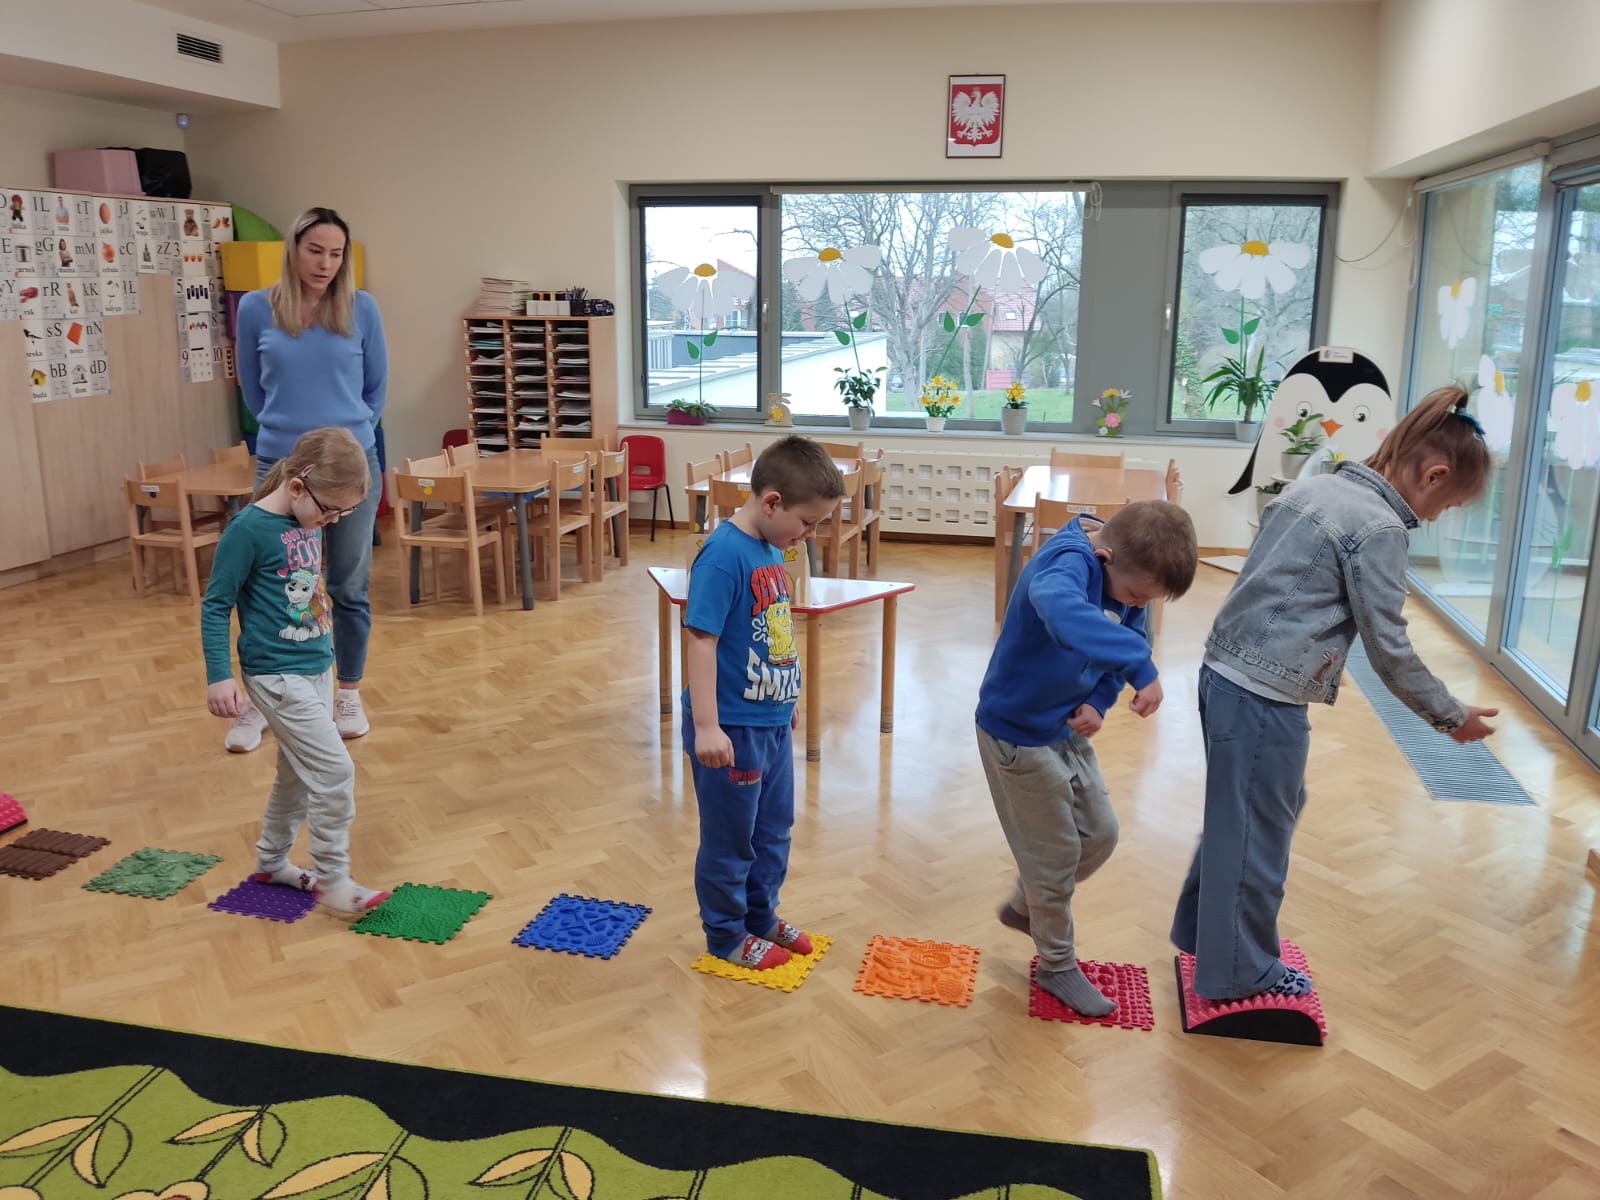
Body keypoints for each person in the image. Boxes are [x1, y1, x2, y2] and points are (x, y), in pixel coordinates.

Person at [1171, 386, 1499, 1002]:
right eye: (1446, 505)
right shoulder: (1380, 528)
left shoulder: (1314, 488)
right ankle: (1240, 971)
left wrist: (1319, 650)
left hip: (1223, 673)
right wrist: (1450, 716)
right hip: (1264, 696)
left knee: (1247, 815)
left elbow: (1282, 586)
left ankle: (1203, 934)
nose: (1435, 518)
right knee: (1258, 835)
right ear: (1433, 474)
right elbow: (1389, 646)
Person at [977, 500, 1198, 1016]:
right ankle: (1056, 964)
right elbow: (1064, 616)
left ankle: (1029, 904)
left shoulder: (1126, 572)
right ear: (1105, 557)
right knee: (1053, 858)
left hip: (1064, 726)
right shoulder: (1066, 565)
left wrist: (1100, 699)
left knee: (1101, 835)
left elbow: (1132, 632)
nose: (1137, 605)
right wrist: (1141, 666)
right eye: (1136, 595)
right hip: (1016, 734)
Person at [201, 427, 392, 916]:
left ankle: (271, 862)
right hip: (276, 675)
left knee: (298, 774)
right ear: (297, 486)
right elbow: (216, 604)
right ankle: (333, 880)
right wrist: (220, 675)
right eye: (330, 511)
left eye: (343, 513)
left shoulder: (308, 516)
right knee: (334, 771)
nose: (333, 520)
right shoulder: (247, 531)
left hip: (315, 667)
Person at [683, 436, 845, 970]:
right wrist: (707, 726)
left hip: (768, 718)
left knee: (773, 831)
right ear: (772, 502)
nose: (810, 534)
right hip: (731, 728)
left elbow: (773, 630)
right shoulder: (723, 557)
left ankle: (760, 915)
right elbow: (702, 641)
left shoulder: (773, 548)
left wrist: (785, 693)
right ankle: (726, 934)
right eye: (808, 522)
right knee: (731, 840)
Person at [230, 207, 388, 753]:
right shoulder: (256, 308)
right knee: (269, 586)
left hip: (350, 463)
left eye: (336, 253)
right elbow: (252, 389)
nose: (325, 263)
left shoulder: (362, 308)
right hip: (281, 463)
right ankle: (261, 699)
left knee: (348, 586)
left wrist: (346, 441)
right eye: (315, 250)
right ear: (293, 249)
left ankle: (348, 694)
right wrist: (287, 437)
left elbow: (376, 390)